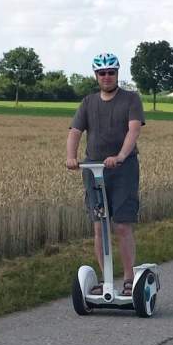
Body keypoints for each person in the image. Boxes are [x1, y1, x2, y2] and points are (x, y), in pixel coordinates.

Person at [66, 52, 145, 296]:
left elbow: (133, 130)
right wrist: (71, 156)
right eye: (102, 73)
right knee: (99, 226)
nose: (107, 77)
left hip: (123, 170)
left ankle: (130, 278)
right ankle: (107, 278)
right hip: (93, 170)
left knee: (121, 225)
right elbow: (75, 131)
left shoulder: (131, 99)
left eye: (111, 72)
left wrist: (121, 156)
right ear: (96, 75)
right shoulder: (88, 102)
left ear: (117, 74)